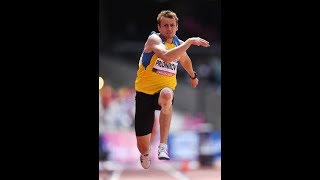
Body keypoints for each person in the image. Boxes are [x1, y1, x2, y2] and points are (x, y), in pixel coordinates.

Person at [134, 10, 210, 169]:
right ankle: (145, 153)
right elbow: (167, 57)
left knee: (167, 94)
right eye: (165, 25)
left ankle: (163, 145)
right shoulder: (153, 39)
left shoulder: (178, 44)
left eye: (172, 25)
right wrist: (188, 42)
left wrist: (193, 76)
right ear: (159, 27)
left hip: (163, 91)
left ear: (177, 27)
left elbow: (185, 60)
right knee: (142, 144)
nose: (169, 28)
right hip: (144, 94)